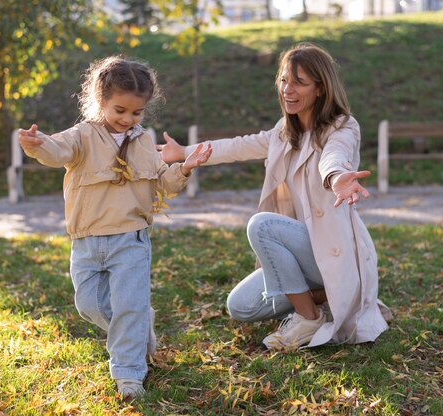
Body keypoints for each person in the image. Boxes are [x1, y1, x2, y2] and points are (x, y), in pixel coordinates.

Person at [158, 42, 391, 351]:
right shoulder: (284, 132)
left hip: (330, 247)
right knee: (241, 306)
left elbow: (333, 156)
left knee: (262, 226)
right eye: (284, 80)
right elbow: (237, 146)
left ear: (320, 88)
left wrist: (336, 177)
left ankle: (309, 316)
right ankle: (330, 296)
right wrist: (184, 152)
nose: (287, 89)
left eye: (299, 82)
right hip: (301, 251)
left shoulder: (342, 126)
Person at [18, 56, 212, 399]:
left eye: (136, 113)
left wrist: (183, 168)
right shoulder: (83, 136)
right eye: (120, 110)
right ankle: (139, 332)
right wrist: (37, 145)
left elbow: (163, 184)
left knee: (129, 306)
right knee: (89, 305)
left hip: (130, 240)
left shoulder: (142, 141)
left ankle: (129, 375)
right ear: (101, 100)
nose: (127, 119)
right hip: (87, 241)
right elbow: (56, 149)